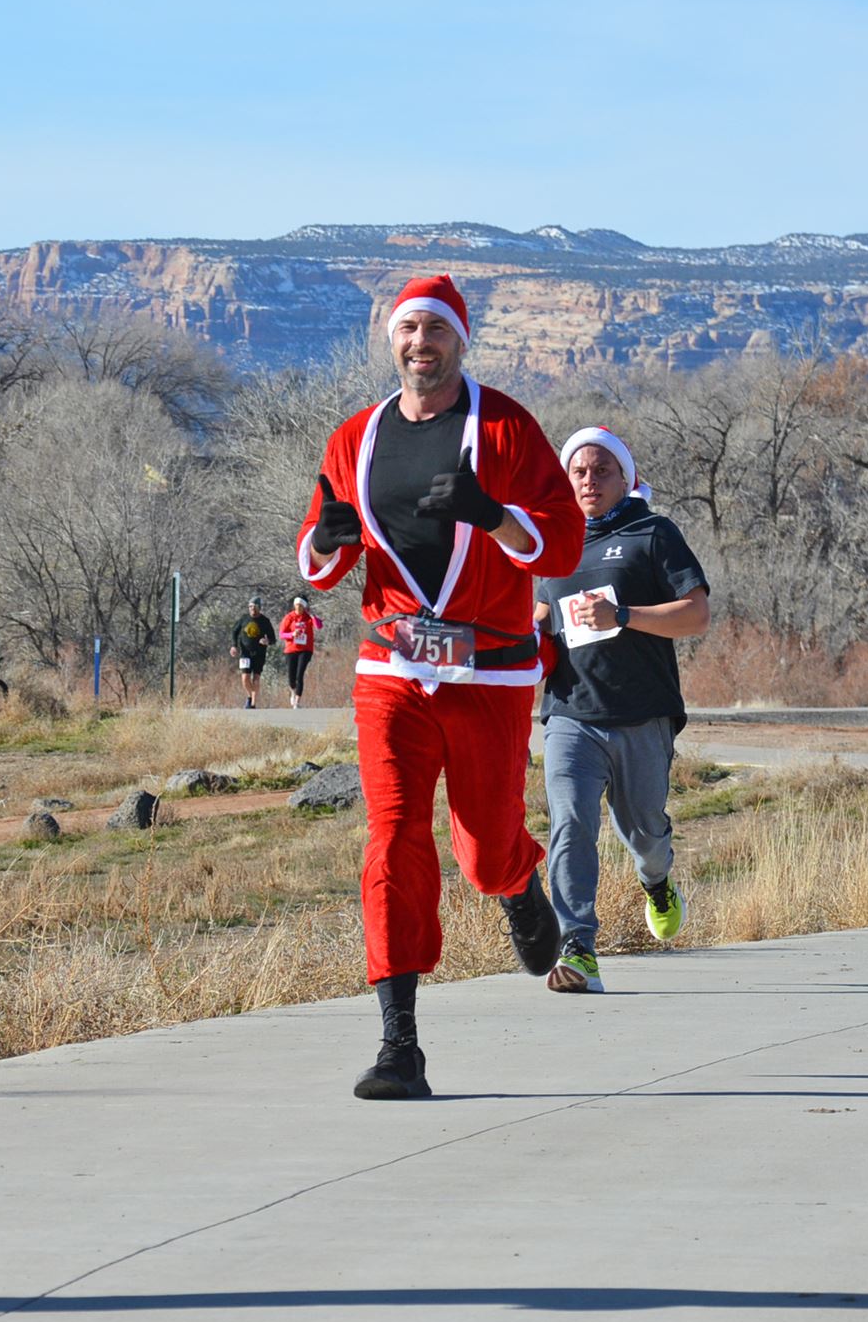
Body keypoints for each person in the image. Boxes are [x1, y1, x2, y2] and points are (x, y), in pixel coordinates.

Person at [297, 274, 580, 1099]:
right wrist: (326, 541)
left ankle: (518, 882)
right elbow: (323, 561)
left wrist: (493, 516)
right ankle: (399, 1045)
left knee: (485, 849)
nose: (421, 345)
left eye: (436, 333)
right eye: (407, 331)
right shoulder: (357, 438)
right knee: (392, 841)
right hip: (391, 668)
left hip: (488, 671)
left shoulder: (506, 429)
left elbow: (561, 545)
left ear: (461, 341)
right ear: (392, 342)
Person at [534, 427, 710, 992]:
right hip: (569, 713)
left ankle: (657, 882)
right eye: (579, 471)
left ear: (626, 477)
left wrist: (625, 616)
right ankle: (577, 946)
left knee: (645, 834)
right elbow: (535, 618)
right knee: (570, 823)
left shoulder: (652, 533)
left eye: (602, 470)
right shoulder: (550, 544)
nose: (589, 480)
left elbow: (696, 615)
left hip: (642, 714)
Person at [275, 595, 323, 709]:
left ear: (304, 606)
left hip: (305, 650)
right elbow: (281, 634)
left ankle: (297, 701)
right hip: (291, 649)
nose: (298, 608)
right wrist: (292, 634)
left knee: (299, 675)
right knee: (291, 677)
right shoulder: (289, 617)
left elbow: (319, 626)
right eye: (296, 605)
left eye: (301, 605)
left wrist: (312, 615)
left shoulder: (308, 617)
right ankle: (293, 691)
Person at [229, 598, 277, 709]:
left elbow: (273, 639)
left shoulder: (265, 621)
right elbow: (234, 632)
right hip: (245, 653)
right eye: (250, 607)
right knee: (245, 678)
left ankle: (253, 703)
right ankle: (250, 696)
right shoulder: (244, 619)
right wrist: (234, 645)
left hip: (259, 653)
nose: (252, 609)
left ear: (259, 608)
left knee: (256, 677)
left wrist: (267, 641)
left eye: (255, 607)